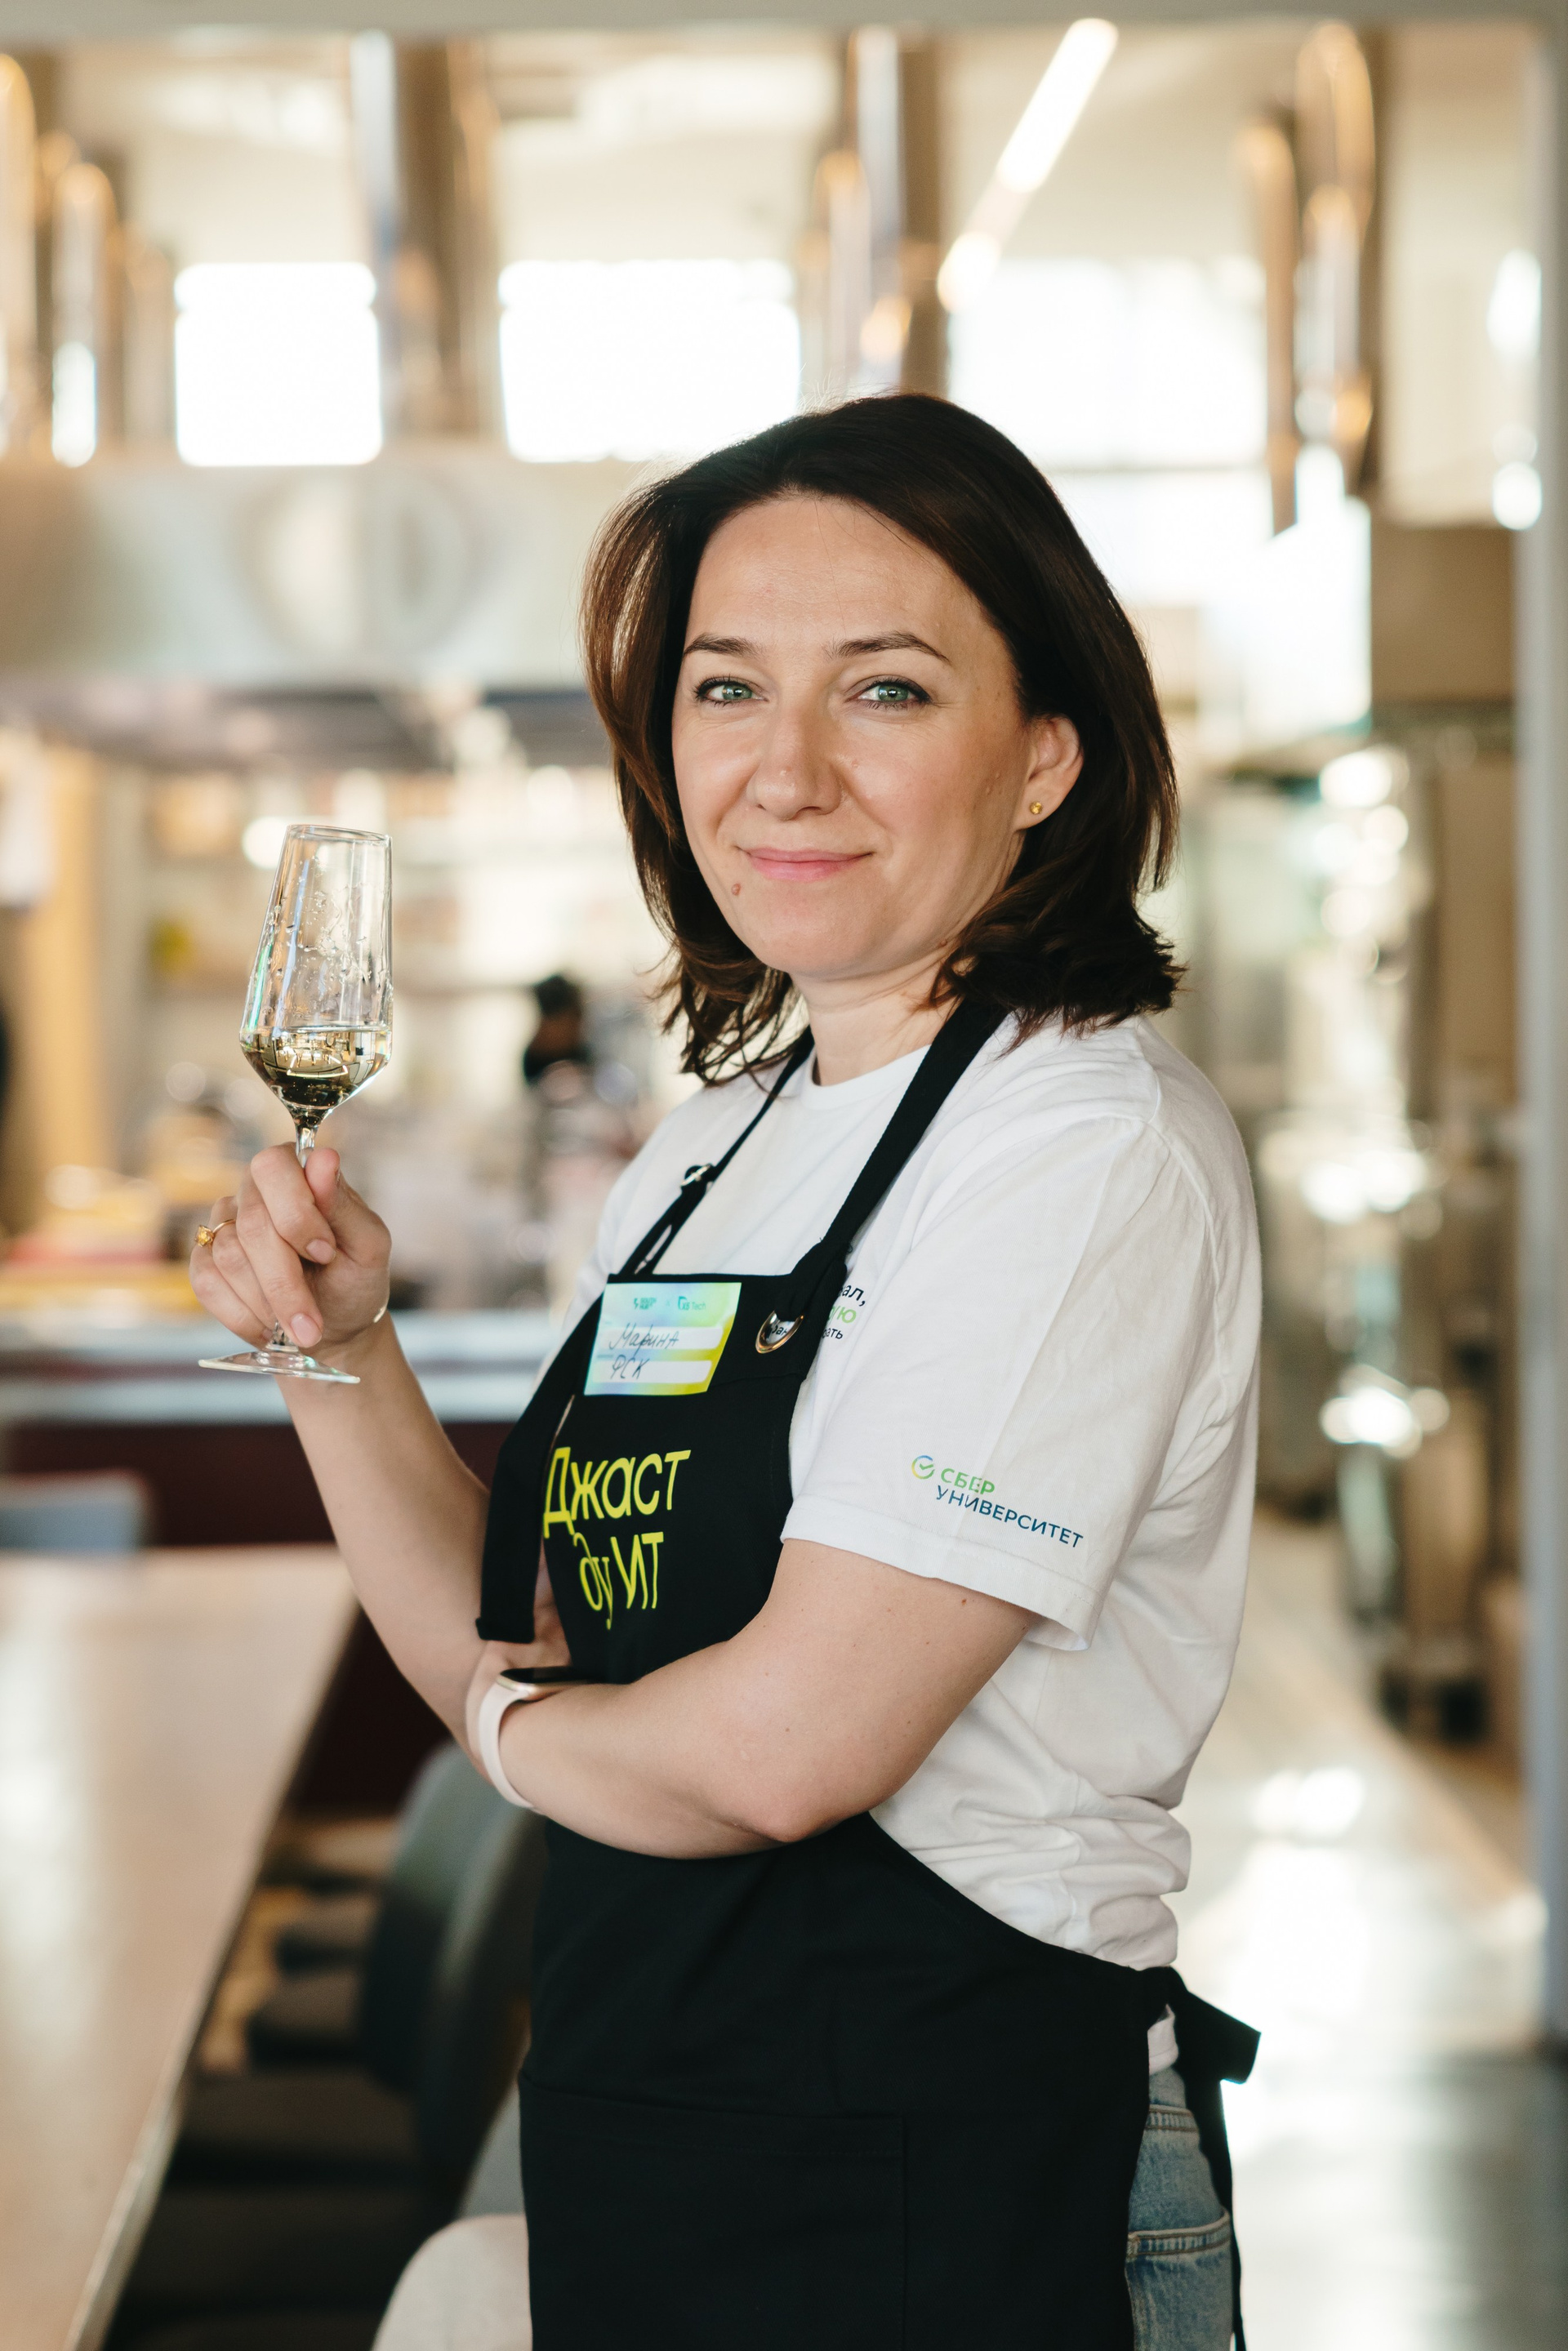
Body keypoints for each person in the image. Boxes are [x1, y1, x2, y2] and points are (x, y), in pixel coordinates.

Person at [192, 394, 1261, 2351]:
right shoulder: (720, 1144)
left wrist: (509, 1741)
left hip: (948, 2170)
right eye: (725, 687)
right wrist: (334, 1353)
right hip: (668, 2133)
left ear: (1045, 754)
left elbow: (781, 1752)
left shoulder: (1081, 1150)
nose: (786, 770)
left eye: (886, 689)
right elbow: (530, 1629)